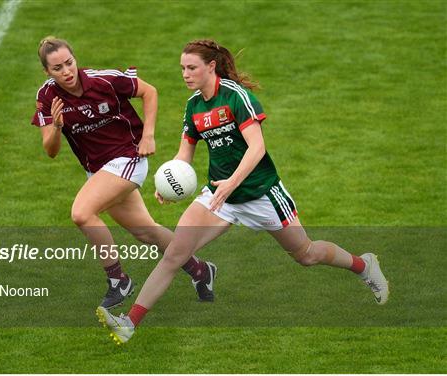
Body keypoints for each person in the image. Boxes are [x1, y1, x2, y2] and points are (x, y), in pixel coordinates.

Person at [96, 39, 390, 344]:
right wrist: (169, 183)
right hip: (219, 196)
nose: (185, 74)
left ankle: (364, 264)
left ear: (211, 66)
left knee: (307, 254)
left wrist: (232, 184)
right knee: (175, 254)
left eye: (191, 67)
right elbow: (185, 154)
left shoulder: (236, 97)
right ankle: (129, 323)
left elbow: (257, 147)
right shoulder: (194, 105)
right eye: (182, 68)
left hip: (261, 194)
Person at [31, 36, 216, 309]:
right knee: (146, 232)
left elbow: (149, 91)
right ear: (47, 71)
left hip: (129, 157)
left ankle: (118, 280)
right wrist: (57, 127)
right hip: (98, 170)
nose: (66, 71)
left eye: (69, 63)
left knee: (81, 213)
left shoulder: (104, 80)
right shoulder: (47, 97)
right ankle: (201, 271)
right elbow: (51, 150)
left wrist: (148, 136)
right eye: (57, 68)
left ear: (75, 59)